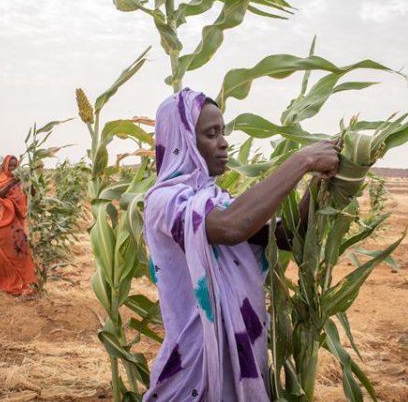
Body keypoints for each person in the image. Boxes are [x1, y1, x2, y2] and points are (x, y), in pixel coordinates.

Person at [143, 88, 340, 401]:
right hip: (192, 366)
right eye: (211, 134)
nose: (223, 142)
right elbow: (230, 227)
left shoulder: (216, 202)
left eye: (223, 132)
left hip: (238, 357)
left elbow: (286, 235)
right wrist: (303, 160)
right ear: (183, 143)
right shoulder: (164, 202)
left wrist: (323, 183)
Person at [0, 155, 37, 296]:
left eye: (14, 166)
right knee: (3, 256)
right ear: (4, 167)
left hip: (17, 224)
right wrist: (13, 182)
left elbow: (32, 195)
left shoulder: (21, 183)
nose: (12, 168)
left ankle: (28, 285)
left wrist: (30, 182)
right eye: (10, 166)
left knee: (23, 253)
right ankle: (2, 283)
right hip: (3, 224)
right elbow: (0, 195)